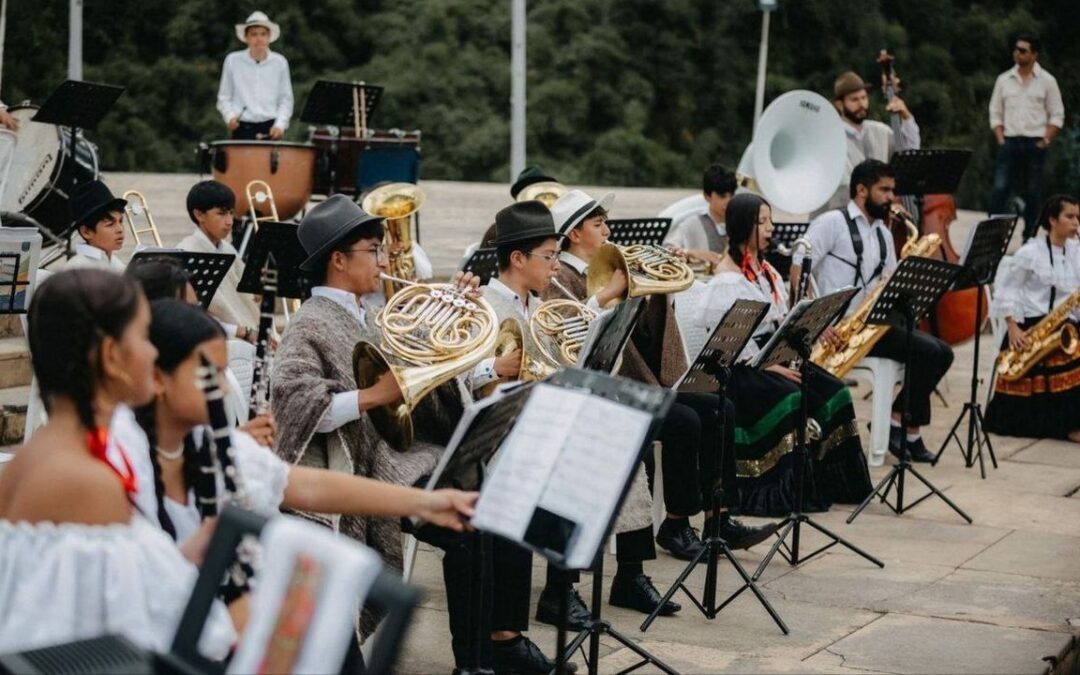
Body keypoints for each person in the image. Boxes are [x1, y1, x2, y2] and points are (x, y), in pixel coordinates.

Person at [271, 195, 561, 673]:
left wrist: (454, 307)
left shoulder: (369, 312)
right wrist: (372, 396)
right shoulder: (308, 323)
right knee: (468, 529)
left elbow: (422, 367)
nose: (384, 260)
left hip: (397, 453)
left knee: (493, 505)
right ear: (338, 261)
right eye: (373, 250)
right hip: (357, 466)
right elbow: (294, 404)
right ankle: (475, 663)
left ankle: (495, 648)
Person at [0, 269, 236, 658]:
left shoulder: (38, 455)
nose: (154, 352)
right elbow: (133, 635)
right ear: (112, 357)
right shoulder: (87, 481)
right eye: (144, 337)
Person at [696, 193, 872, 515]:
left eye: (770, 221)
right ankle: (780, 496)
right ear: (741, 226)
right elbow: (729, 344)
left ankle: (835, 484)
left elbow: (780, 321)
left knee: (835, 392)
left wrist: (809, 328)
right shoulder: (727, 279)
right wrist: (770, 366)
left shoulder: (768, 272)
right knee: (792, 398)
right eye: (762, 222)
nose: (770, 228)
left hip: (771, 358)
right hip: (743, 370)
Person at [792, 159, 954, 462]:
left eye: (892, 190)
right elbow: (799, 267)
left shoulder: (882, 231)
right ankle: (905, 429)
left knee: (941, 352)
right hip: (835, 330)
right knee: (928, 353)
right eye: (885, 190)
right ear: (861, 190)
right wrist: (817, 322)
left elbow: (889, 279)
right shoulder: (832, 223)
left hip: (870, 325)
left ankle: (901, 425)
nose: (892, 197)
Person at [985, 194, 1080, 441]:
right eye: (1069, 217)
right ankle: (1069, 427)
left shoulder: (1076, 251)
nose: (1075, 223)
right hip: (1030, 325)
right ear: (1052, 220)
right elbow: (1008, 290)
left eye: (1077, 217)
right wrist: (1013, 327)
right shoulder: (1030, 252)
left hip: (1064, 323)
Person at [989, 34, 1065, 241]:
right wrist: (1000, 137)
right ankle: (992, 235)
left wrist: (1046, 140)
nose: (1017, 53)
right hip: (1010, 140)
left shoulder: (1048, 82)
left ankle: (1029, 235)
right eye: (1016, 49)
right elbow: (995, 111)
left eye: (1023, 50)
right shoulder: (1004, 80)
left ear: (1034, 54)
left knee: (1033, 192)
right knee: (1000, 189)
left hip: (1034, 142)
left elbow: (1057, 113)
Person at [819, 71, 920, 214]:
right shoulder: (829, 136)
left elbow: (909, 154)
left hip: (879, 217)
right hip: (842, 215)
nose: (862, 104)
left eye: (864, 98)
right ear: (840, 104)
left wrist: (906, 117)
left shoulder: (882, 131)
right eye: (854, 100)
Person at [176, 180, 260, 343]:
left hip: (248, 333)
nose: (229, 221)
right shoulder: (186, 251)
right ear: (199, 214)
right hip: (219, 339)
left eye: (231, 213)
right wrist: (242, 332)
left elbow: (250, 295)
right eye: (221, 214)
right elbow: (191, 314)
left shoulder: (228, 249)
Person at [216, 11, 294, 140]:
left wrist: (280, 125)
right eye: (254, 34)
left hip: (270, 127)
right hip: (242, 127)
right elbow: (224, 97)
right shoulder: (233, 61)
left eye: (263, 34)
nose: (259, 39)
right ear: (246, 37)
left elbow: (286, 100)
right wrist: (229, 117)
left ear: (269, 37)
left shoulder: (280, 62)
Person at [663, 163, 736, 269]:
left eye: (731, 195)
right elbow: (667, 249)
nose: (728, 201)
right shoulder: (692, 224)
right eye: (722, 196)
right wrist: (691, 253)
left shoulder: (740, 223)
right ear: (707, 196)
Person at [63, 180, 128, 271]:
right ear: (86, 232)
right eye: (110, 224)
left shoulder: (115, 263)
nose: (120, 229)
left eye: (120, 221)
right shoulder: (78, 269)